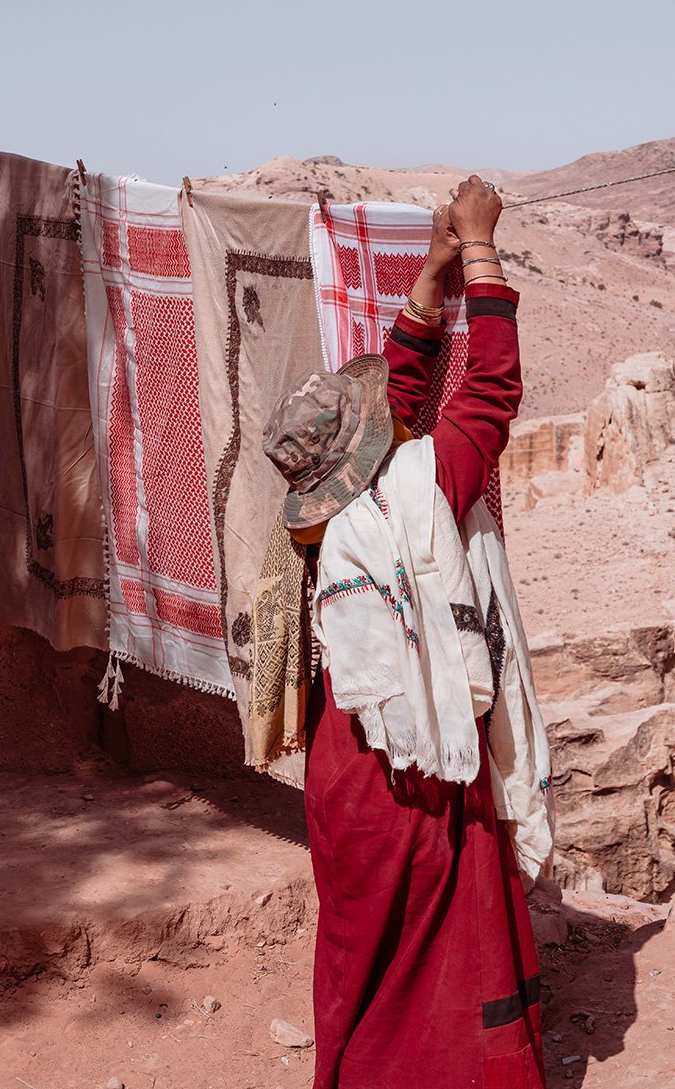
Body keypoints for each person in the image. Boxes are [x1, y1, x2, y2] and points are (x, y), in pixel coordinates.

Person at [260, 176, 553, 1089]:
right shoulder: (424, 491)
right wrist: (481, 248)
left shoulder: (326, 525)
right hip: (422, 755)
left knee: (367, 946)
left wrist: (430, 277)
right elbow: (494, 387)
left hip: (347, 755)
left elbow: (399, 398)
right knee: (450, 932)